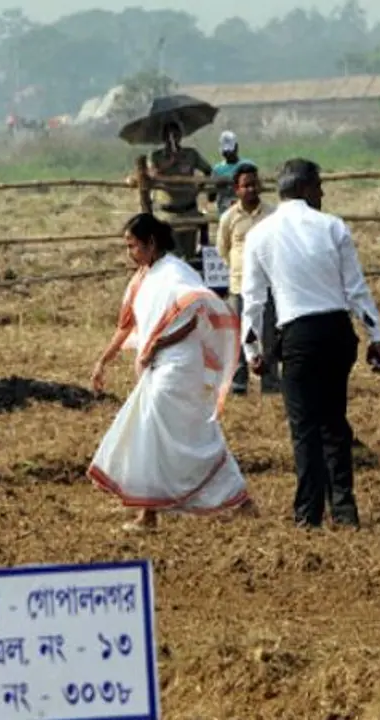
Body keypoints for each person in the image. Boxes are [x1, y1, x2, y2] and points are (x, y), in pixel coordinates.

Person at [240, 159, 380, 530]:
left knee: (304, 427)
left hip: (298, 336)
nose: (322, 193)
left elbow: (253, 301)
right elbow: (356, 289)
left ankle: (309, 513)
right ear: (305, 188)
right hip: (336, 331)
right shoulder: (333, 226)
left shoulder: (260, 234)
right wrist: (377, 336)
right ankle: (344, 507)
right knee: (334, 421)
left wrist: (253, 352)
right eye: (319, 186)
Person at [87, 212, 257, 533]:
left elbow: (194, 312)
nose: (129, 253)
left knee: (154, 431)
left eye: (133, 246)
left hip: (179, 365)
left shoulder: (176, 274)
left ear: (151, 243)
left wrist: (158, 343)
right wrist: (103, 361)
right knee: (181, 435)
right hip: (156, 366)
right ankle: (233, 500)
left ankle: (150, 513)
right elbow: (125, 328)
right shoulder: (141, 279)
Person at [216, 162, 279, 395]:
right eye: (246, 185)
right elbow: (223, 249)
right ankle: (238, 382)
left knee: (269, 333)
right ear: (236, 190)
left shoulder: (273, 214)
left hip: (268, 285)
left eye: (255, 184)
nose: (252, 189)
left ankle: (271, 382)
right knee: (238, 336)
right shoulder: (228, 218)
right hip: (239, 286)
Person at [148, 120, 212, 262]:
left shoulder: (190, 154)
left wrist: (198, 188)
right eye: (169, 134)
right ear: (163, 137)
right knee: (170, 257)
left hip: (189, 211)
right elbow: (151, 176)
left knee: (188, 256)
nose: (172, 137)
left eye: (175, 133)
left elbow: (208, 170)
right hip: (167, 215)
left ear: (180, 135)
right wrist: (169, 163)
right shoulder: (156, 156)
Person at [209, 130, 252, 215]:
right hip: (225, 212)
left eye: (230, 150)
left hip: (244, 212)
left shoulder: (248, 166)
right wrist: (216, 186)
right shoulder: (217, 170)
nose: (228, 154)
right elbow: (211, 198)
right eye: (225, 151)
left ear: (236, 147)